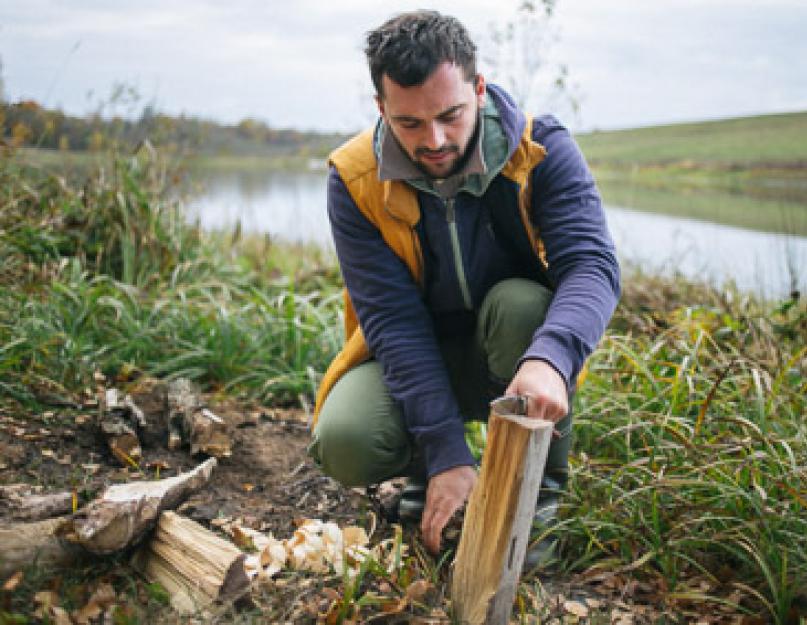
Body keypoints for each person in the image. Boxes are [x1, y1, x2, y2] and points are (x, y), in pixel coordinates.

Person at [308, 10, 620, 561]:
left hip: (513, 350)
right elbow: (393, 322)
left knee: (522, 305)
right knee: (345, 440)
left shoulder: (539, 149)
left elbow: (592, 265)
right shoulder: (354, 178)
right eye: (408, 124)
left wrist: (551, 357)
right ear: (381, 108)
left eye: (450, 115)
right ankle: (426, 473)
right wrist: (447, 453)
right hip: (415, 357)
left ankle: (539, 492)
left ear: (478, 88)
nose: (433, 140)